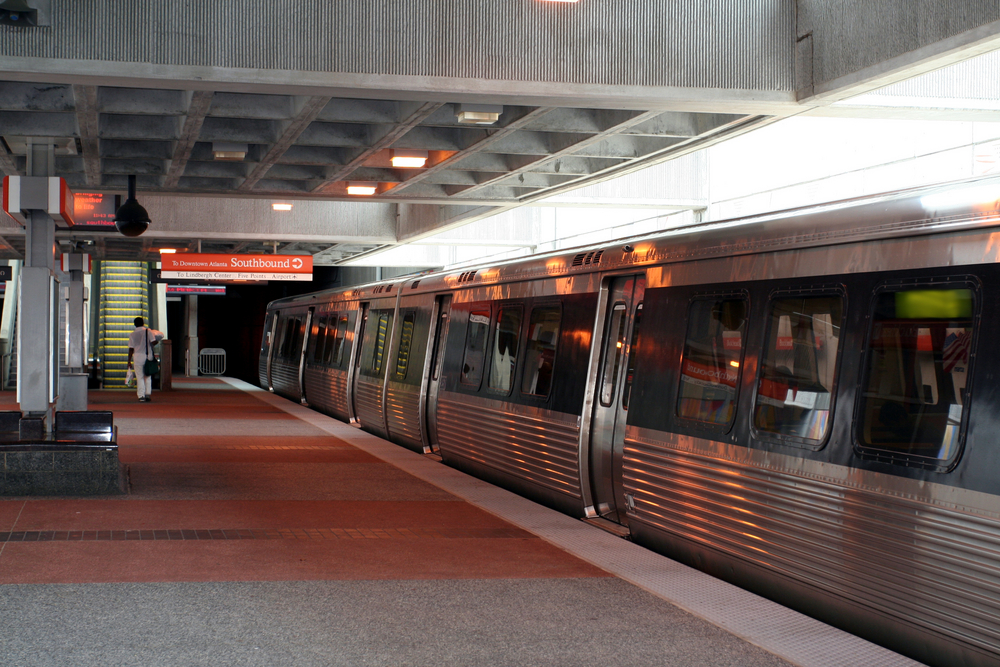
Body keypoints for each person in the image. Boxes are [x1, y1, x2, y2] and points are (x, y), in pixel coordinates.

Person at [127, 317, 163, 402]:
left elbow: (131, 349)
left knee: (139, 377)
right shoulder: (148, 331)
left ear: (135, 324)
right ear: (143, 323)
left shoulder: (132, 334)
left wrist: (129, 361)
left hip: (137, 357)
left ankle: (141, 396)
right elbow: (153, 342)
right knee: (147, 376)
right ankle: (147, 394)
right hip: (147, 357)